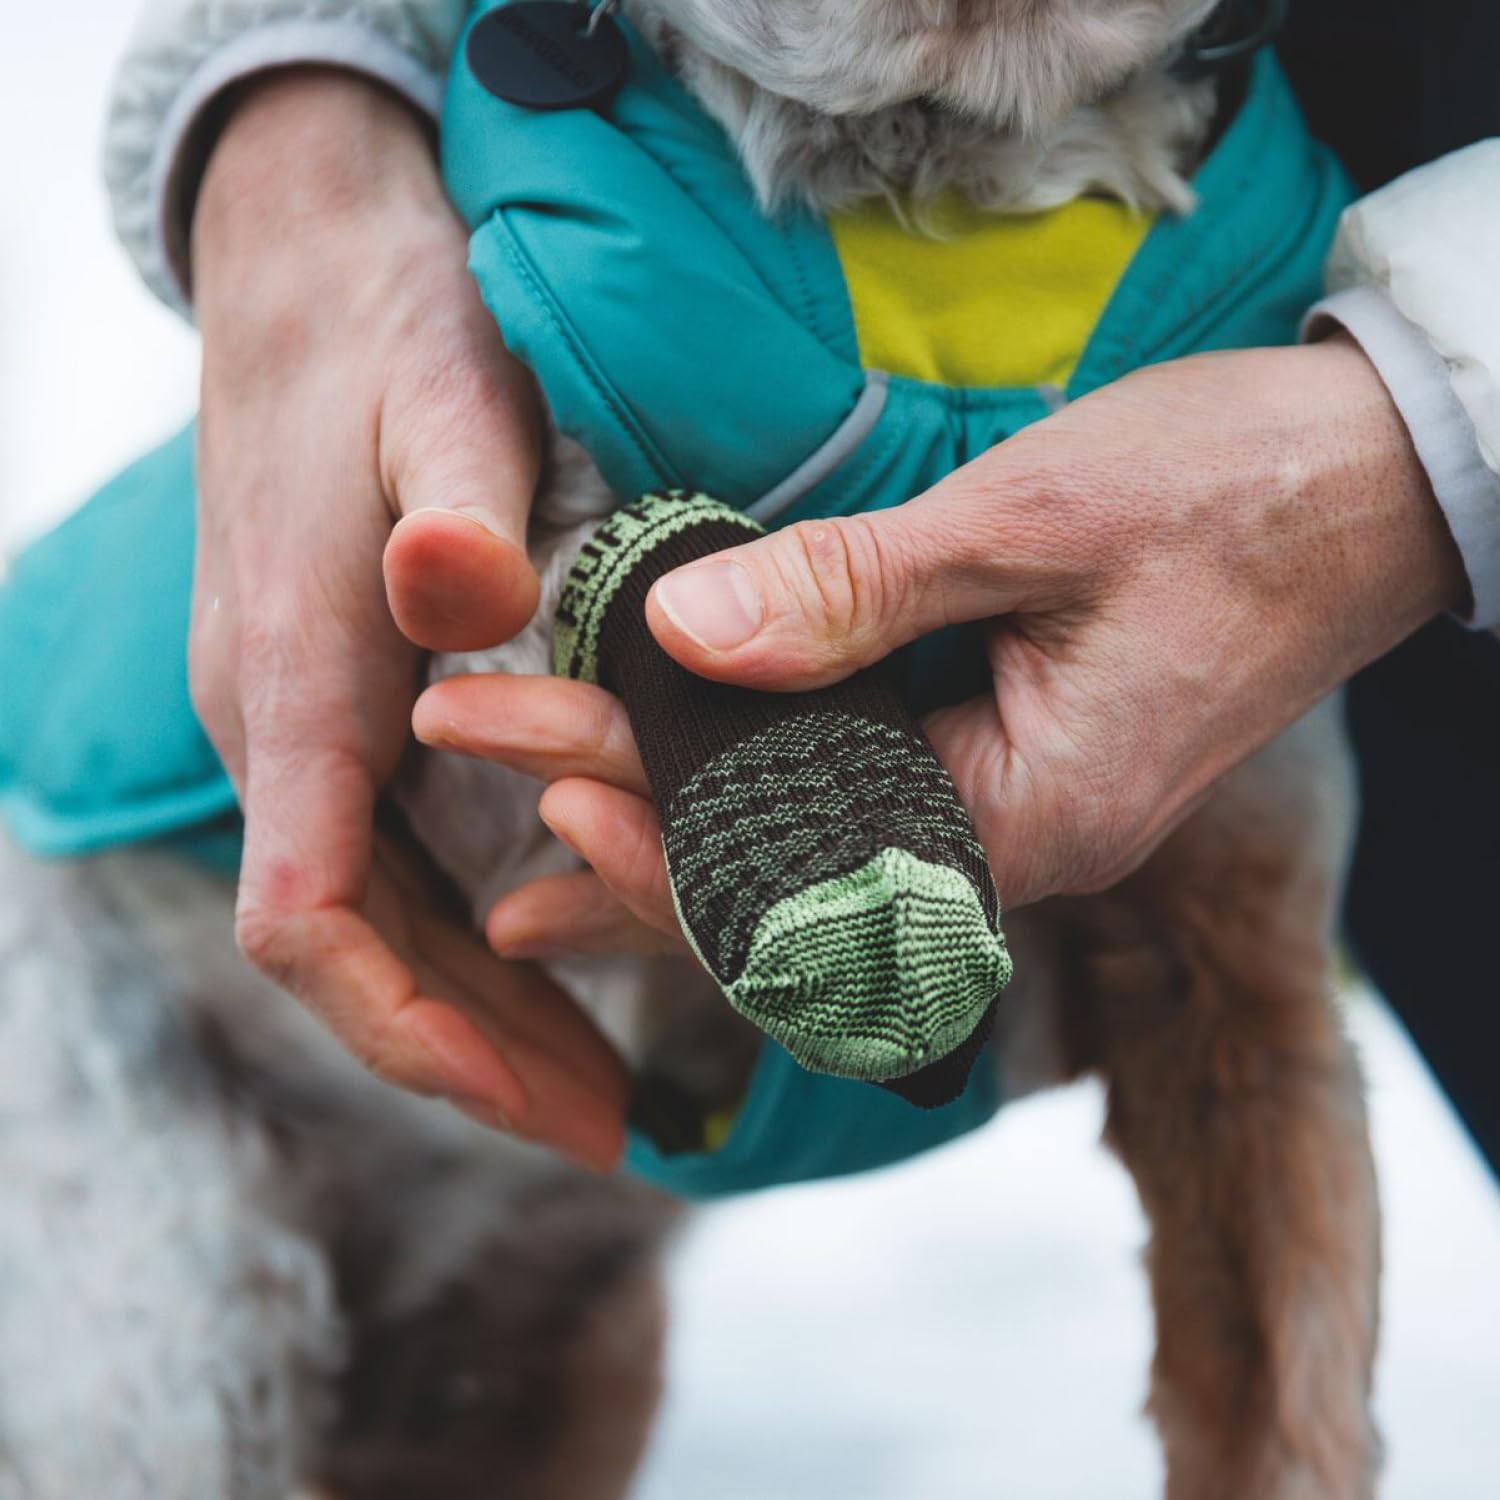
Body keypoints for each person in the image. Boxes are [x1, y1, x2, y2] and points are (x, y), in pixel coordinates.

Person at [89, 0, 1500, 1170]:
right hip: (161, 970)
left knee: (1239, 1006)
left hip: (1341, 306)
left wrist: (1418, 438)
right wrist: (283, 112)